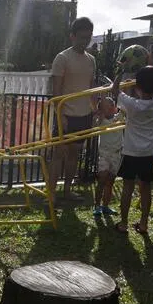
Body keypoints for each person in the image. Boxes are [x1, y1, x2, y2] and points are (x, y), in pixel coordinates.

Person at [110, 64, 153, 235]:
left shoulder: (131, 103)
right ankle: (143, 224)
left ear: (137, 86)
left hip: (131, 152)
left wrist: (120, 72)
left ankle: (124, 223)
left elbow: (114, 90)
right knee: (145, 187)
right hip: (149, 152)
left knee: (128, 187)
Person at [48, 17, 97, 202]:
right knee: (58, 154)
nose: (85, 41)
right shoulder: (62, 58)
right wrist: (60, 116)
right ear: (72, 36)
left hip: (84, 115)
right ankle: (51, 194)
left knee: (74, 155)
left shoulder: (91, 60)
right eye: (82, 37)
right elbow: (56, 92)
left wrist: (95, 111)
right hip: (66, 114)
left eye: (88, 37)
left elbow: (91, 88)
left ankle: (67, 191)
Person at [93, 96, 125, 219]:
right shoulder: (101, 120)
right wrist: (99, 106)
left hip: (116, 153)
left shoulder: (119, 118)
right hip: (105, 154)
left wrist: (124, 89)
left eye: (111, 105)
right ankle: (97, 206)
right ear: (102, 110)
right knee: (102, 179)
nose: (110, 108)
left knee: (110, 181)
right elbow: (96, 120)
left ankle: (105, 206)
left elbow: (124, 105)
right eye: (106, 106)